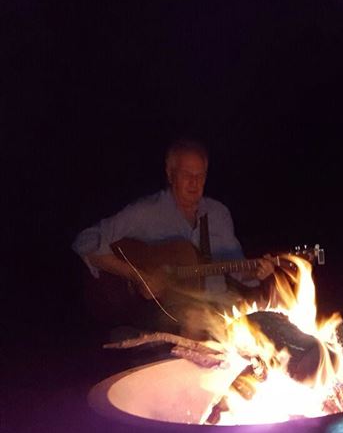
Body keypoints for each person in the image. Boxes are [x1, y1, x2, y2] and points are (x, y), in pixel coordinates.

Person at [73, 139, 275, 336]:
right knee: (196, 320)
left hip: (220, 306)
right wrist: (138, 276)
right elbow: (85, 240)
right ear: (170, 174)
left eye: (200, 175)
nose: (194, 182)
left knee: (270, 319)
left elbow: (237, 267)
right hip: (166, 314)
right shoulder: (147, 212)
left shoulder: (218, 214)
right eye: (187, 175)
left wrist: (256, 271)